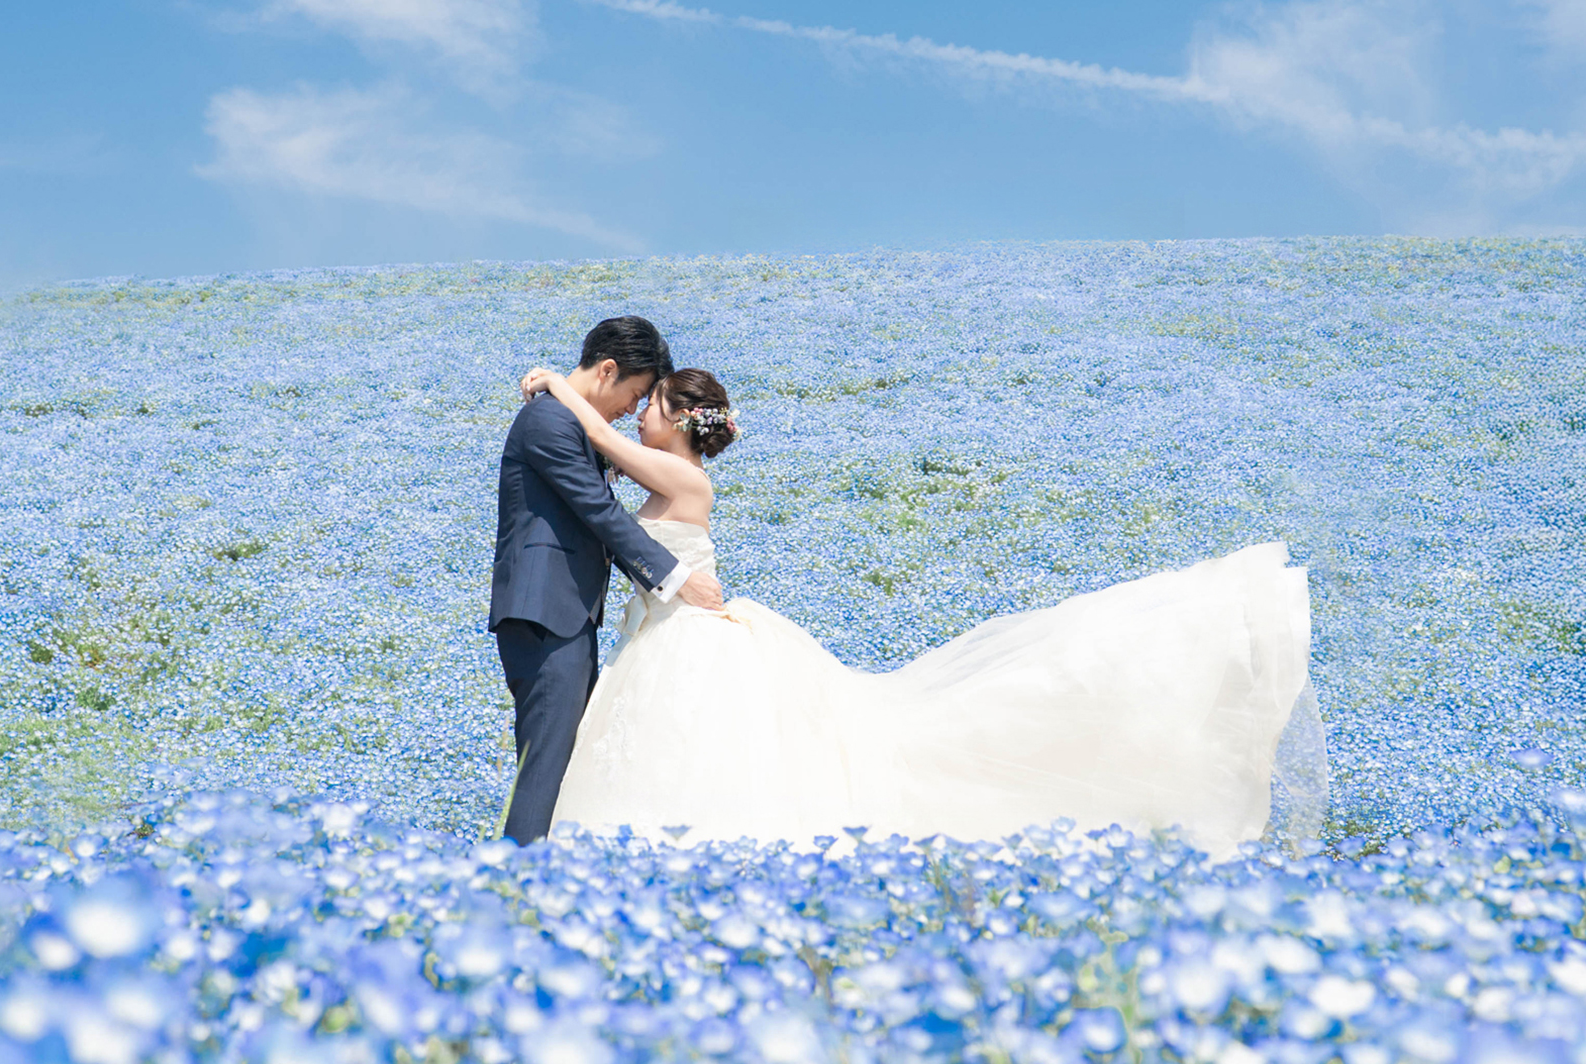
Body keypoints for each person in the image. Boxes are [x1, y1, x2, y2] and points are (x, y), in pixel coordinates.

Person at [518, 363, 1327, 860]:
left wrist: (561, 387)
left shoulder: (684, 480)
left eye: (650, 406)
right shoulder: (662, 477)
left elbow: (598, 438)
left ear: (680, 420)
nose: (638, 417)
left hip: (691, 639)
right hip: (669, 636)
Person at [489, 317, 725, 846]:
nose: (632, 411)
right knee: (547, 762)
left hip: (565, 613)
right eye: (636, 394)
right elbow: (598, 510)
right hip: (544, 611)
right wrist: (676, 576)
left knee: (561, 759)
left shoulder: (563, 419)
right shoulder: (550, 421)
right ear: (609, 370)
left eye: (648, 401)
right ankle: (517, 884)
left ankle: (534, 879)